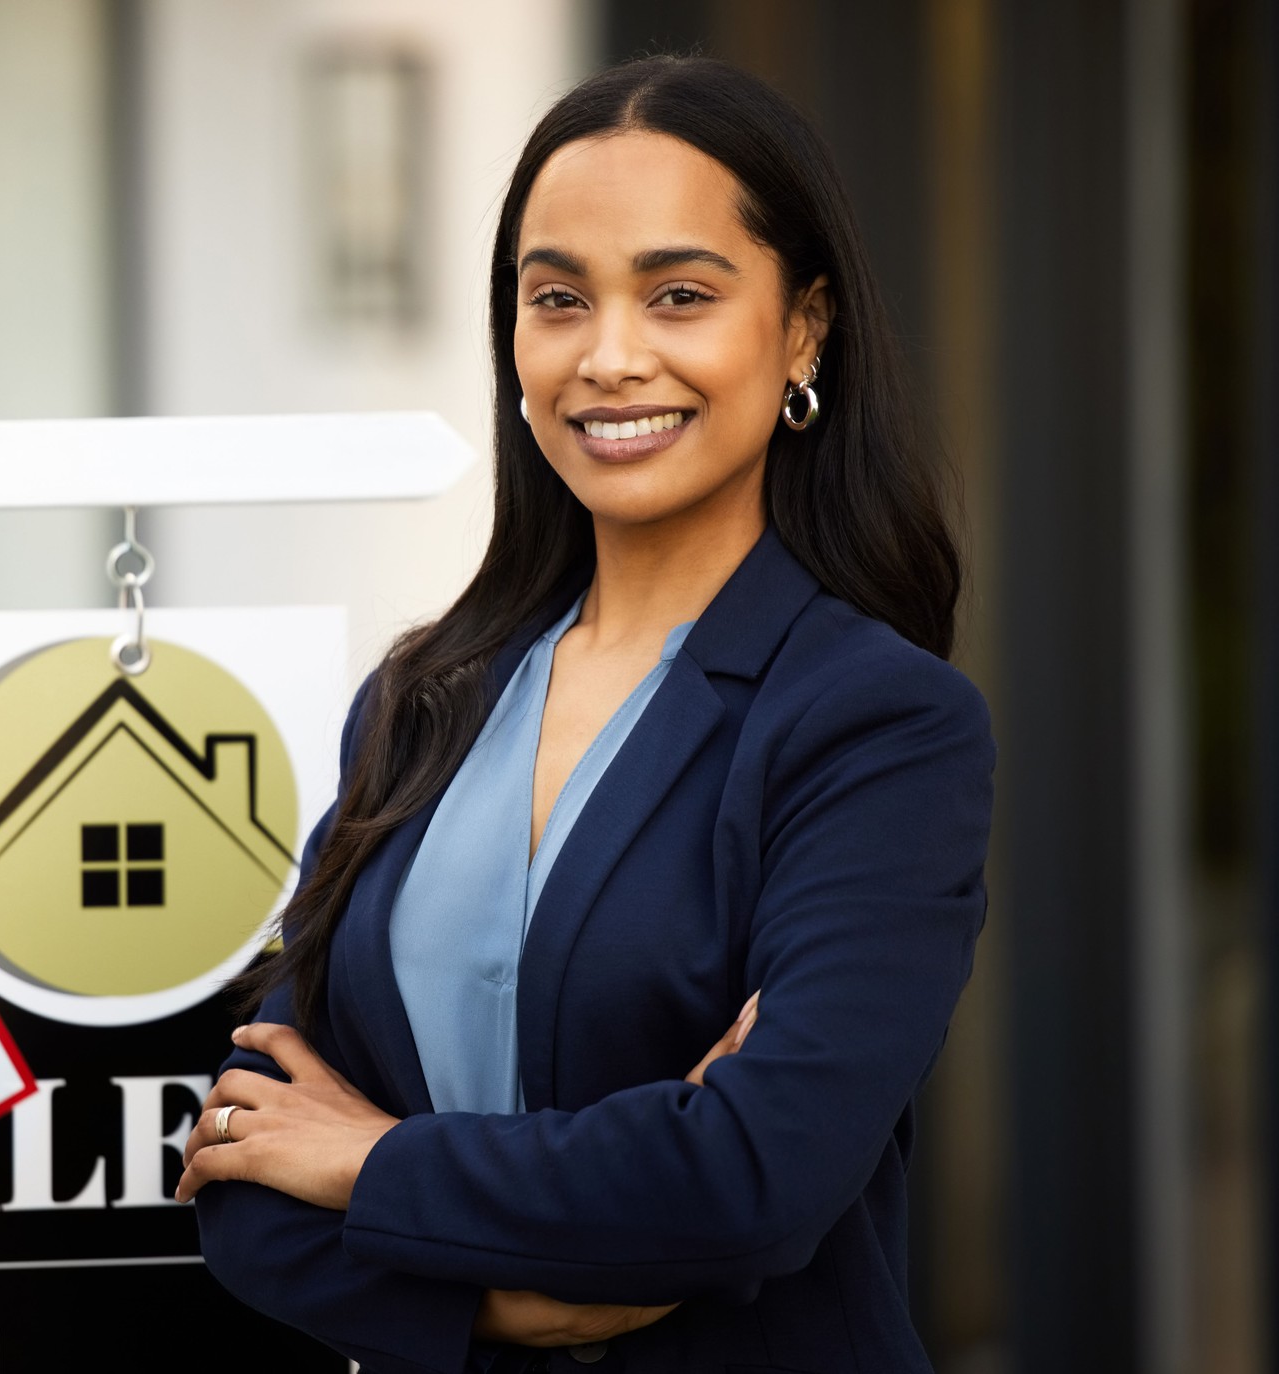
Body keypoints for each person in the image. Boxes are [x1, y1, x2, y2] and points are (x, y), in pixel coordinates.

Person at [176, 52, 995, 1374]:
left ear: (802, 329)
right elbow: (245, 1165)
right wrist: (498, 1307)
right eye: (558, 298)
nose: (611, 357)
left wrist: (373, 1159)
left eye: (679, 295)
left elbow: (748, 1178)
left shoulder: (877, 726)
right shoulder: (420, 703)